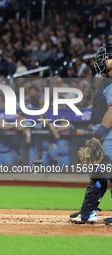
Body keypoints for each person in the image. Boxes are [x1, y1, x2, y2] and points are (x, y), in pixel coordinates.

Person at [70, 45, 112, 223]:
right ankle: (87, 211)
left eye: (106, 58)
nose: (101, 62)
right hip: (106, 132)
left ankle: (88, 212)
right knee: (100, 172)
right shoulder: (106, 81)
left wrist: (98, 135)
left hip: (109, 133)